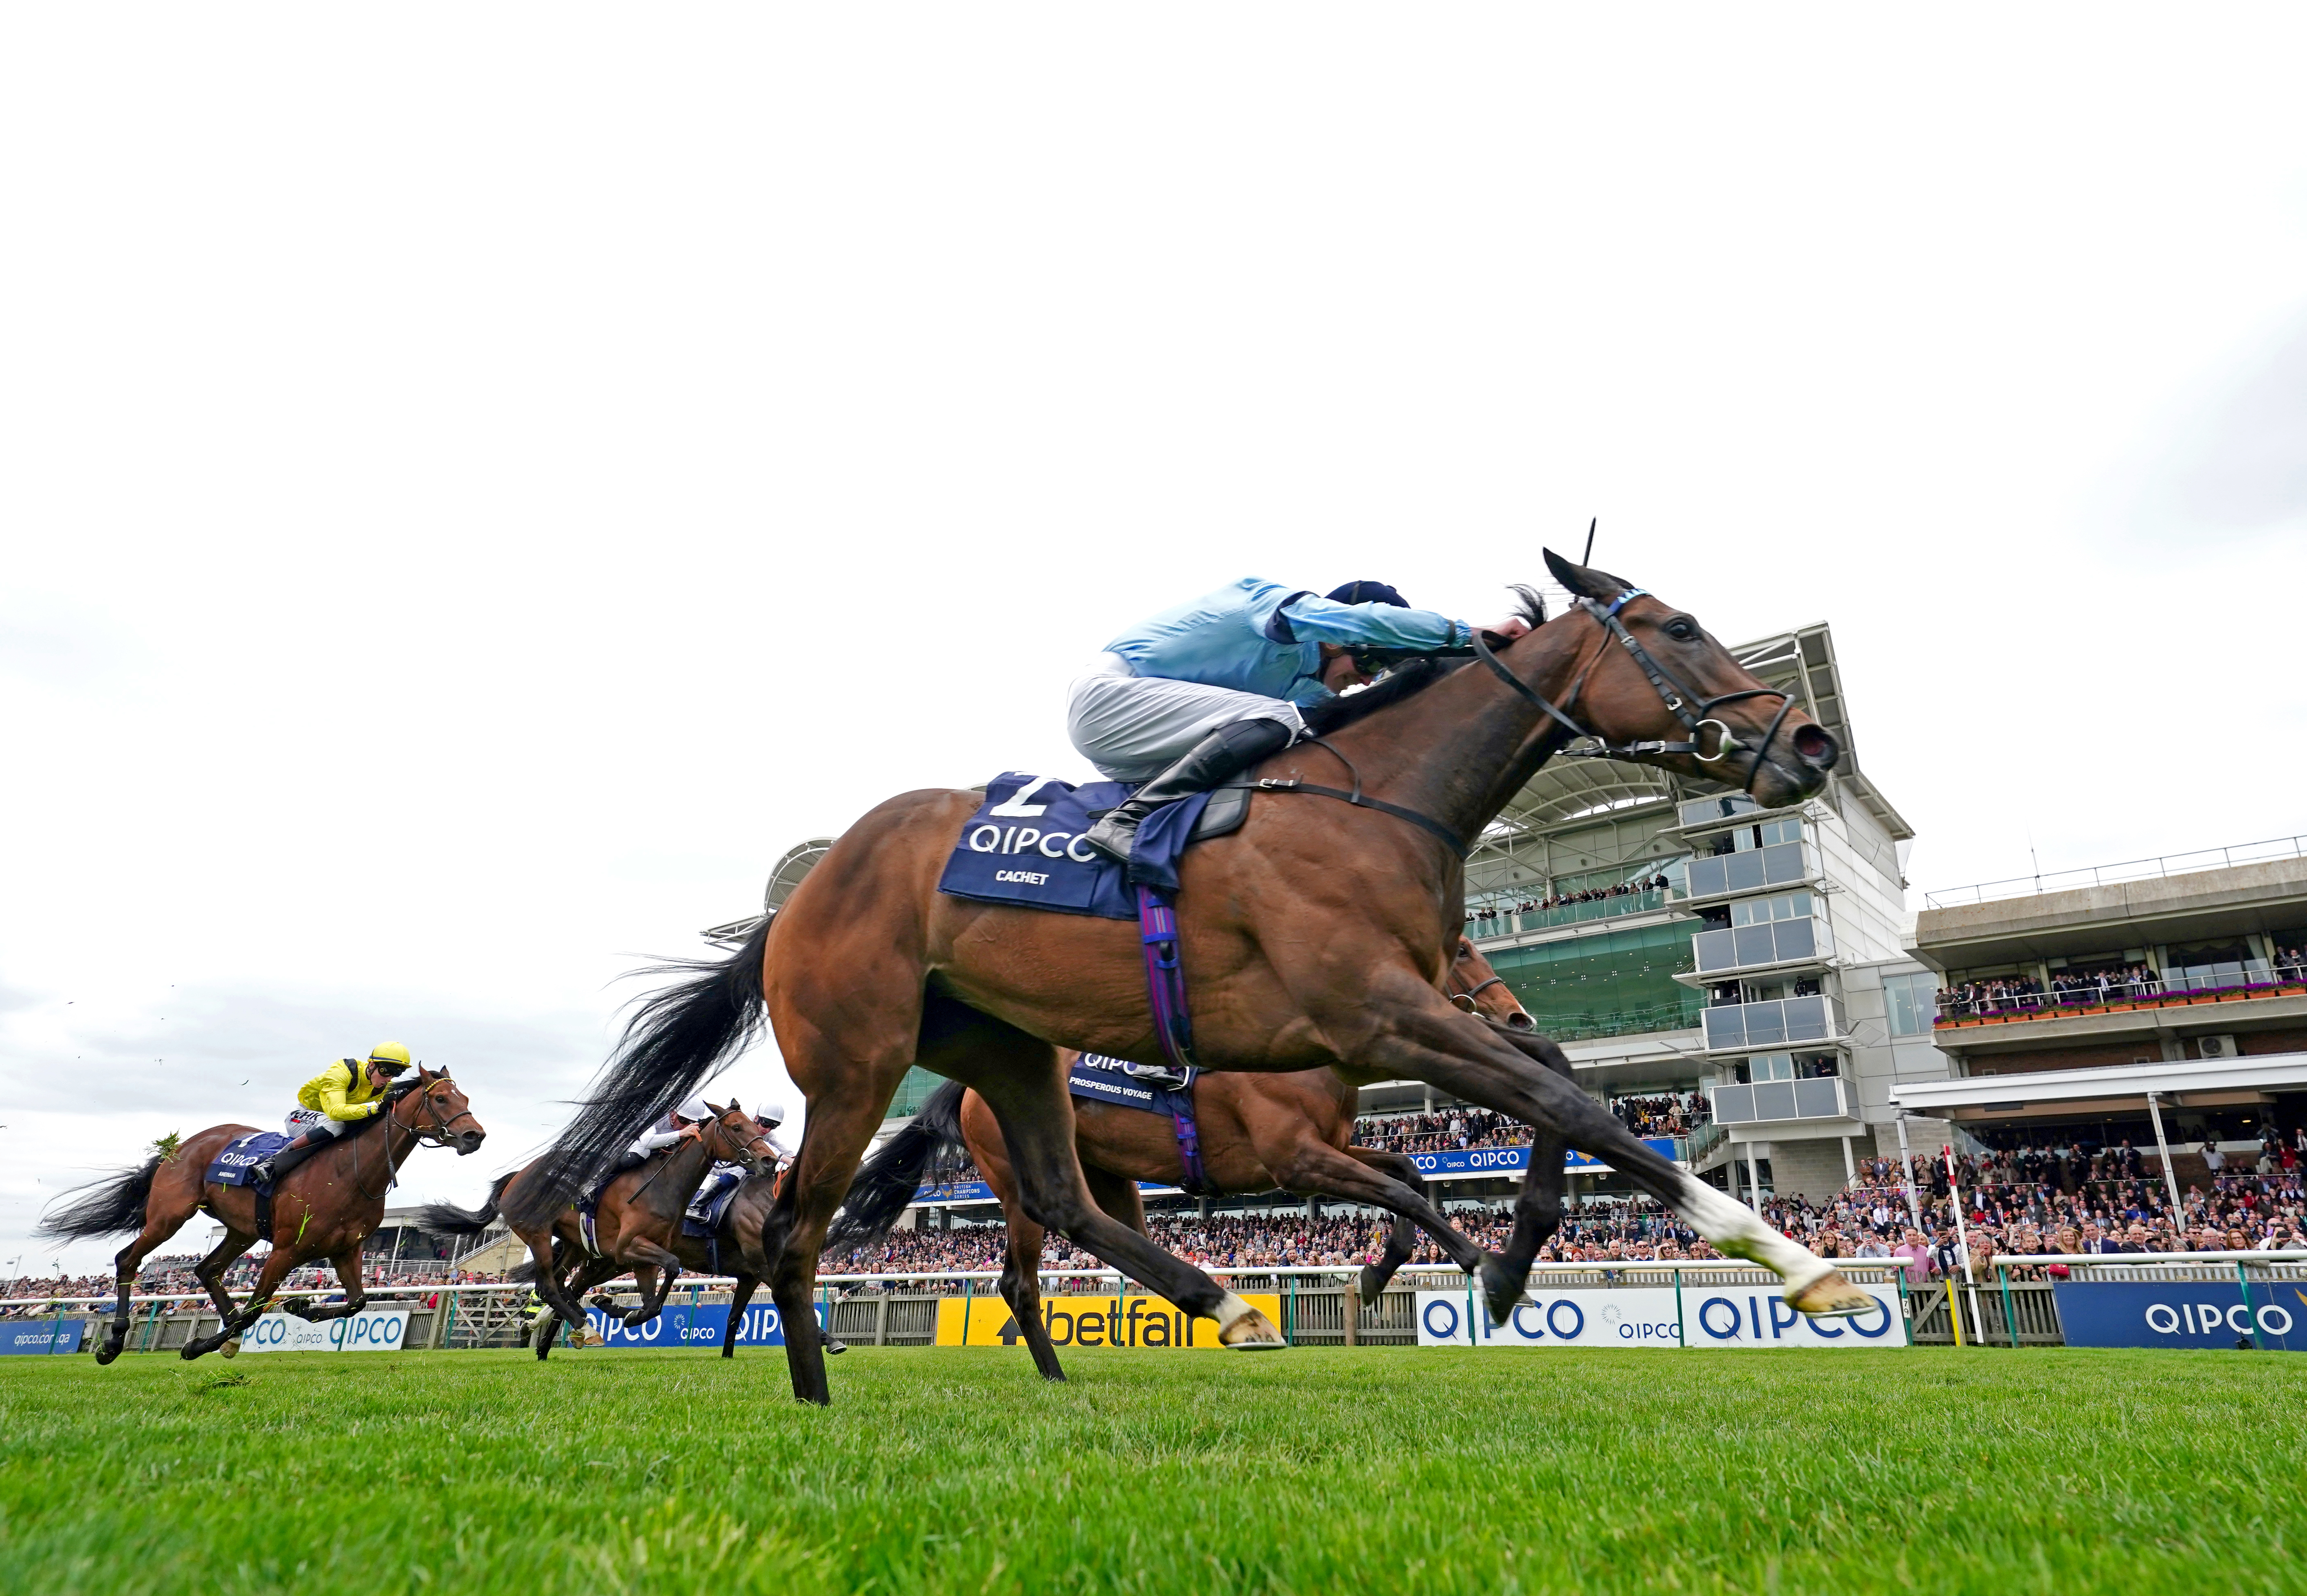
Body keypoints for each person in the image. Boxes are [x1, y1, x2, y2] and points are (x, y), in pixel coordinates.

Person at [1069, 579, 1532, 871]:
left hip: (1140, 741)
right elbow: (1361, 620)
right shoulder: (1271, 603)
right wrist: (1471, 634)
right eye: (1370, 658)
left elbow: (1345, 725)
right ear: (1335, 639)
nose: (1367, 677)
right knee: (1274, 719)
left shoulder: (1306, 686)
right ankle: (1127, 820)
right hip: (1109, 700)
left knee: (1285, 746)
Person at [248, 1044, 414, 1186]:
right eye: (386, 1072)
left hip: (333, 1121)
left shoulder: (384, 1085)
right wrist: (373, 1109)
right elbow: (336, 1112)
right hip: (302, 1116)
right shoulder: (342, 1071)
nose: (389, 1079)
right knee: (335, 1125)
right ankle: (273, 1162)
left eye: (395, 1074)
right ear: (371, 1065)